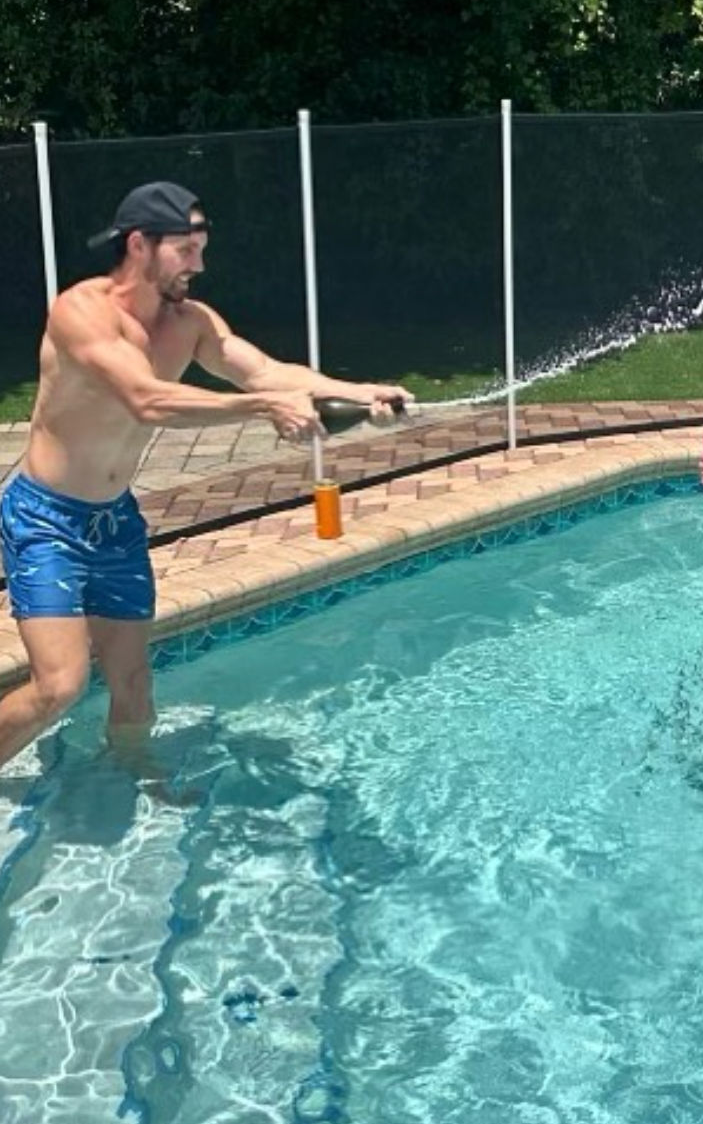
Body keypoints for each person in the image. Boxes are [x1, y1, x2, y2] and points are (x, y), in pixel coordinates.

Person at [0, 181, 411, 769]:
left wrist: (358, 391)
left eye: (201, 248)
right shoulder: (80, 312)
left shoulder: (188, 321)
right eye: (186, 249)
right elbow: (146, 400)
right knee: (59, 686)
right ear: (139, 245)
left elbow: (264, 371)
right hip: (47, 518)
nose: (199, 264)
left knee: (135, 684)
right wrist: (261, 409)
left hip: (114, 520)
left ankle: (134, 776)